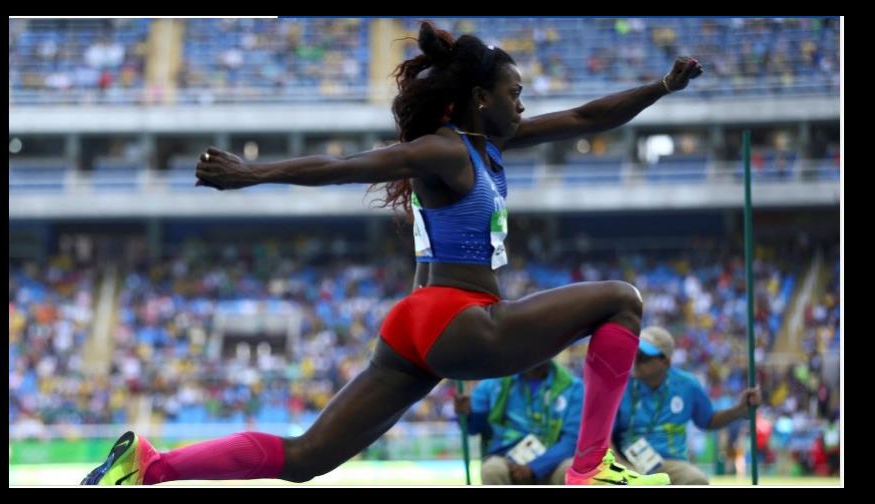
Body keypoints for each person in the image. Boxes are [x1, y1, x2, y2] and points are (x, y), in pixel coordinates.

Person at [81, 21, 703, 486]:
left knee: (306, 458)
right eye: (514, 92)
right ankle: (590, 467)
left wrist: (662, 87)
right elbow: (350, 165)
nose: (522, 103)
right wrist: (255, 173)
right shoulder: (446, 149)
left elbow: (590, 116)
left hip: (414, 326)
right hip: (459, 317)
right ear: (480, 98)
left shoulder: (490, 144)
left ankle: (150, 467)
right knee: (622, 301)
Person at [612, 326, 762, 485]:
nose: (636, 360)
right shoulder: (619, 385)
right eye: (635, 354)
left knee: (696, 480)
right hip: (626, 462)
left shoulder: (687, 385)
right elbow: (605, 435)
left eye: (644, 357)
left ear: (665, 361)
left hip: (670, 463)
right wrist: (620, 464)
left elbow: (708, 420)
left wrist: (739, 410)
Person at [453, 358, 583, 485]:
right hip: (506, 459)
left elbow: (572, 440)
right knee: (492, 470)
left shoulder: (573, 387)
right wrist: (468, 414)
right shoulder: (494, 383)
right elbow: (475, 428)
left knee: (570, 470)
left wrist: (535, 467)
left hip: (553, 461)